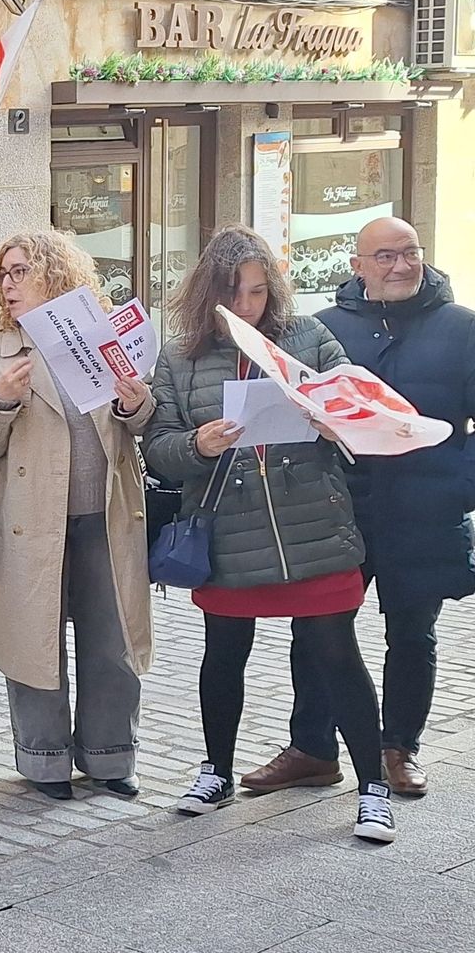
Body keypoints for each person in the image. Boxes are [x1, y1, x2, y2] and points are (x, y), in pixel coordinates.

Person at [143, 225, 396, 844]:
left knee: (338, 655)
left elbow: (354, 398)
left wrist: (332, 415)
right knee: (224, 654)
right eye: (234, 293)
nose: (247, 306)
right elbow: (158, 450)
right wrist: (198, 445)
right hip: (230, 532)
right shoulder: (179, 356)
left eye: (258, 292)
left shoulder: (306, 336)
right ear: (209, 293)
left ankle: (374, 789)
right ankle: (216, 771)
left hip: (313, 524)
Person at [245, 218, 475, 798]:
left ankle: (399, 748)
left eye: (409, 254)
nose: (399, 266)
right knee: (317, 631)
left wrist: (460, 486)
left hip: (427, 510)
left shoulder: (462, 329)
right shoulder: (325, 329)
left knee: (413, 634)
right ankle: (312, 749)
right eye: (384, 256)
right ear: (358, 264)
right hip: (340, 510)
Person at [0, 231, 155, 800]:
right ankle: (44, 759)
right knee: (34, 640)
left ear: (54, 273)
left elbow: (144, 418)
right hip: (30, 519)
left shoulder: (103, 336)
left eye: (20, 271)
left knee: (111, 638)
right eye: (2, 275)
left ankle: (110, 756)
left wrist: (134, 401)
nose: (8, 283)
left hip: (105, 514)